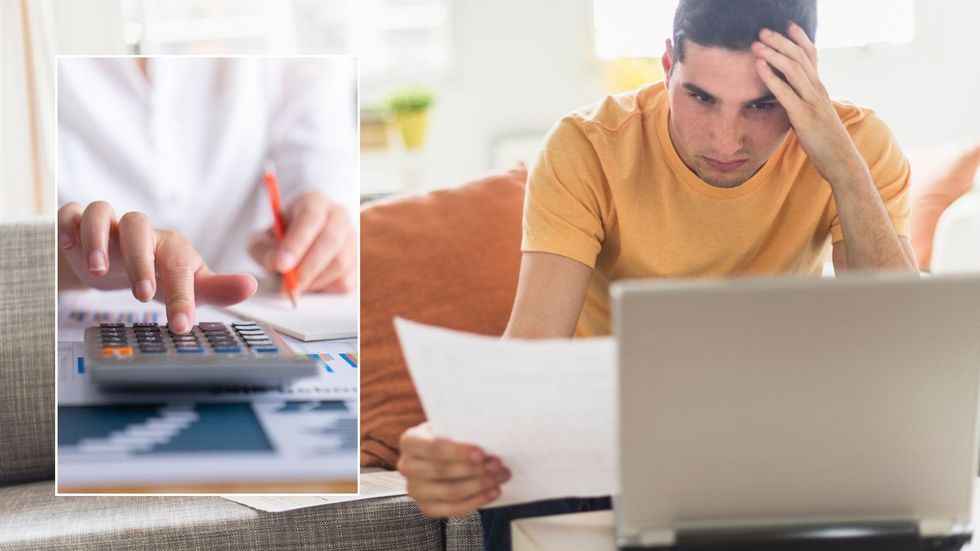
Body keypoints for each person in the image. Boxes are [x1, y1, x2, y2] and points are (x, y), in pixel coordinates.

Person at [397, 0, 918, 548]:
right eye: (700, 97)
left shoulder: (856, 146)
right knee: (529, 492)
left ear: (805, 84)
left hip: (764, 436)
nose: (726, 141)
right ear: (667, 64)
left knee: (900, 508)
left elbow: (904, 348)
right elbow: (529, 352)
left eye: (763, 105)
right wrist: (447, 438)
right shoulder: (588, 146)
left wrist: (841, 164)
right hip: (603, 442)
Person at [57, 57, 357, 334]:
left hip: (261, 309)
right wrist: (61, 261)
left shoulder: (290, 56)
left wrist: (327, 230)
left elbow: (323, 169)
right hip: (79, 319)